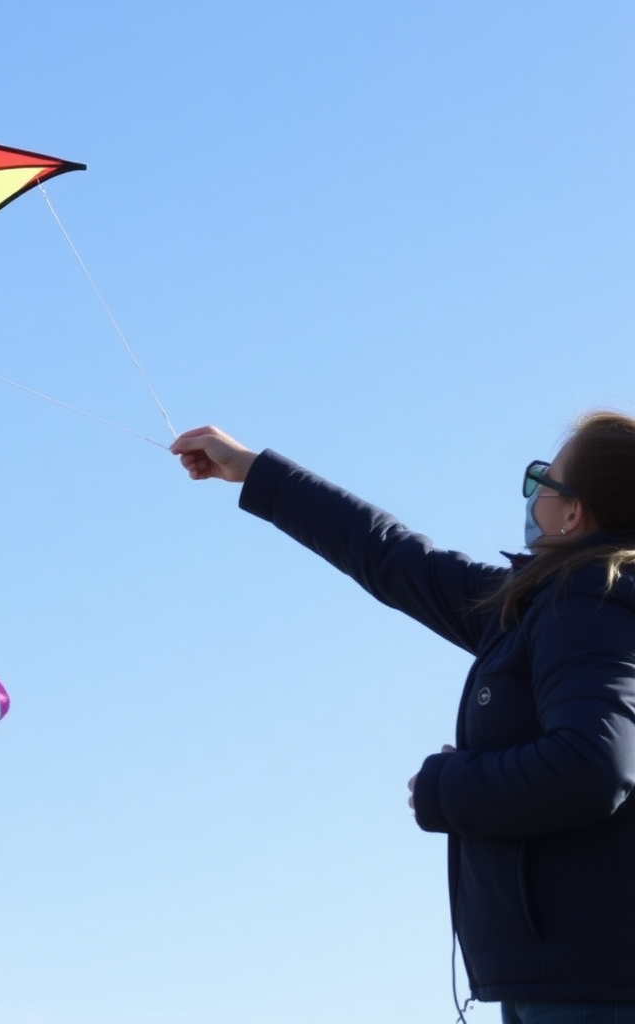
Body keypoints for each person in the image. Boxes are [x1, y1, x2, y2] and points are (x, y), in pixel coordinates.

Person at [170, 413, 635, 1024]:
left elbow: (594, 767)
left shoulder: (588, 602)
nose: (533, 493)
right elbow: (391, 554)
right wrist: (254, 471)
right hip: (568, 981)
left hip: (588, 992)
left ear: (574, 515)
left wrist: (447, 785)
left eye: (543, 480)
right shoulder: (537, 605)